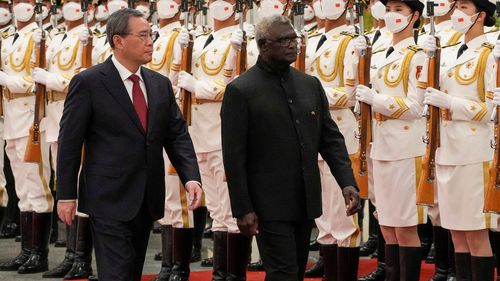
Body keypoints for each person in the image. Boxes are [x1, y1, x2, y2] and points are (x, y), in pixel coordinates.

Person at [56, 8, 203, 281]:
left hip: (146, 197)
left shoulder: (159, 84)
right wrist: (66, 194)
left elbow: (176, 135)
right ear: (118, 41)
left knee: (131, 272)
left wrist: (191, 178)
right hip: (107, 197)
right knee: (117, 273)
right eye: (143, 35)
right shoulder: (89, 82)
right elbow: (69, 142)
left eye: (152, 34)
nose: (151, 41)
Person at [221, 14, 360, 281]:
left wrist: (346, 182)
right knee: (282, 273)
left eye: (293, 39)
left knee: (294, 272)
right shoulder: (241, 90)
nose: (292, 45)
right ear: (262, 45)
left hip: (305, 200)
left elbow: (330, 139)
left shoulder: (310, 85)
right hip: (267, 205)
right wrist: (242, 208)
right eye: (283, 40)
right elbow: (234, 157)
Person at [423, 0, 498, 279]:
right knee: (455, 230)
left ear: (480, 15)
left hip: (473, 152)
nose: (456, 13)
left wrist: (451, 102)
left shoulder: (490, 54)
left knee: (475, 233)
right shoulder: (450, 51)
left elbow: (490, 111)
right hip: (447, 150)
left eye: (464, 8)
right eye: (456, 7)